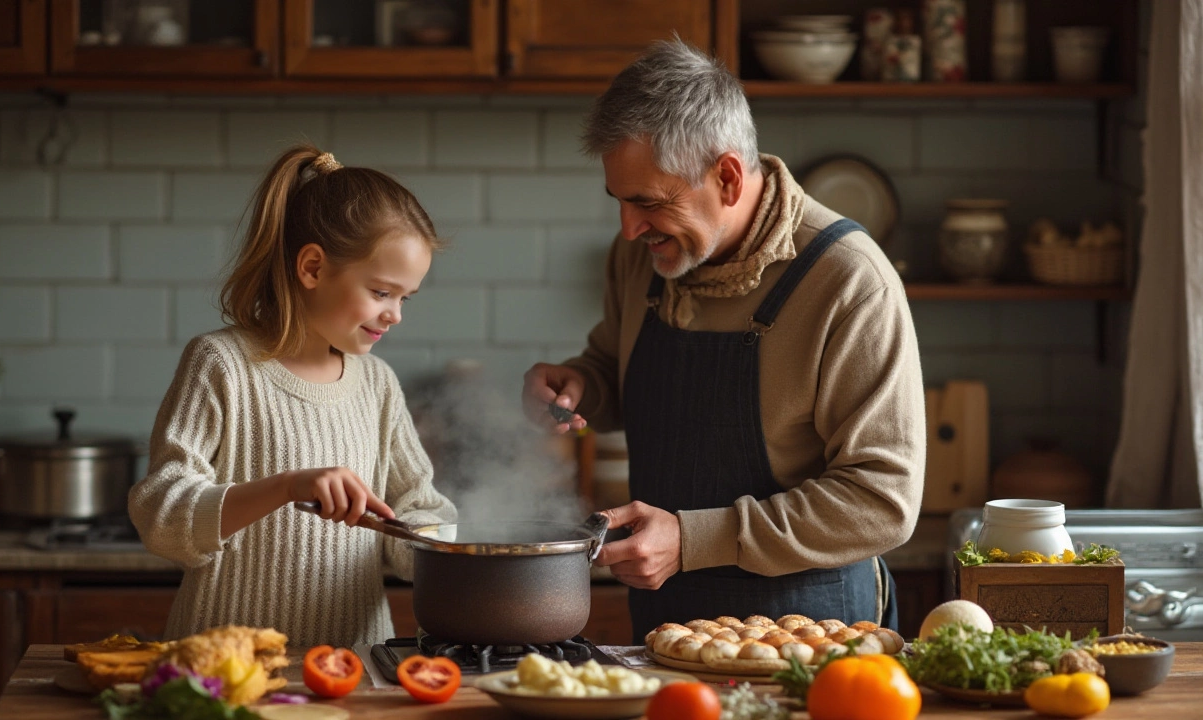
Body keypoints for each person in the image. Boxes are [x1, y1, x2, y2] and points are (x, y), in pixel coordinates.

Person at [521, 40, 925, 642]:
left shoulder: (848, 282)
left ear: (728, 177)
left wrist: (694, 540)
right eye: (620, 201)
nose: (628, 228)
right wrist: (582, 385)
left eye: (648, 203)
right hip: (666, 627)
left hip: (809, 635)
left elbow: (883, 499)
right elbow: (614, 360)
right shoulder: (641, 257)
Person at [130, 144, 456, 648]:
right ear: (312, 268)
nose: (395, 314)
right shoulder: (221, 365)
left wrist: (454, 546)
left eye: (405, 297)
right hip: (226, 671)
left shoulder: (377, 384)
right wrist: (285, 487)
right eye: (381, 292)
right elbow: (161, 517)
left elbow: (419, 509)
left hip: (354, 671)